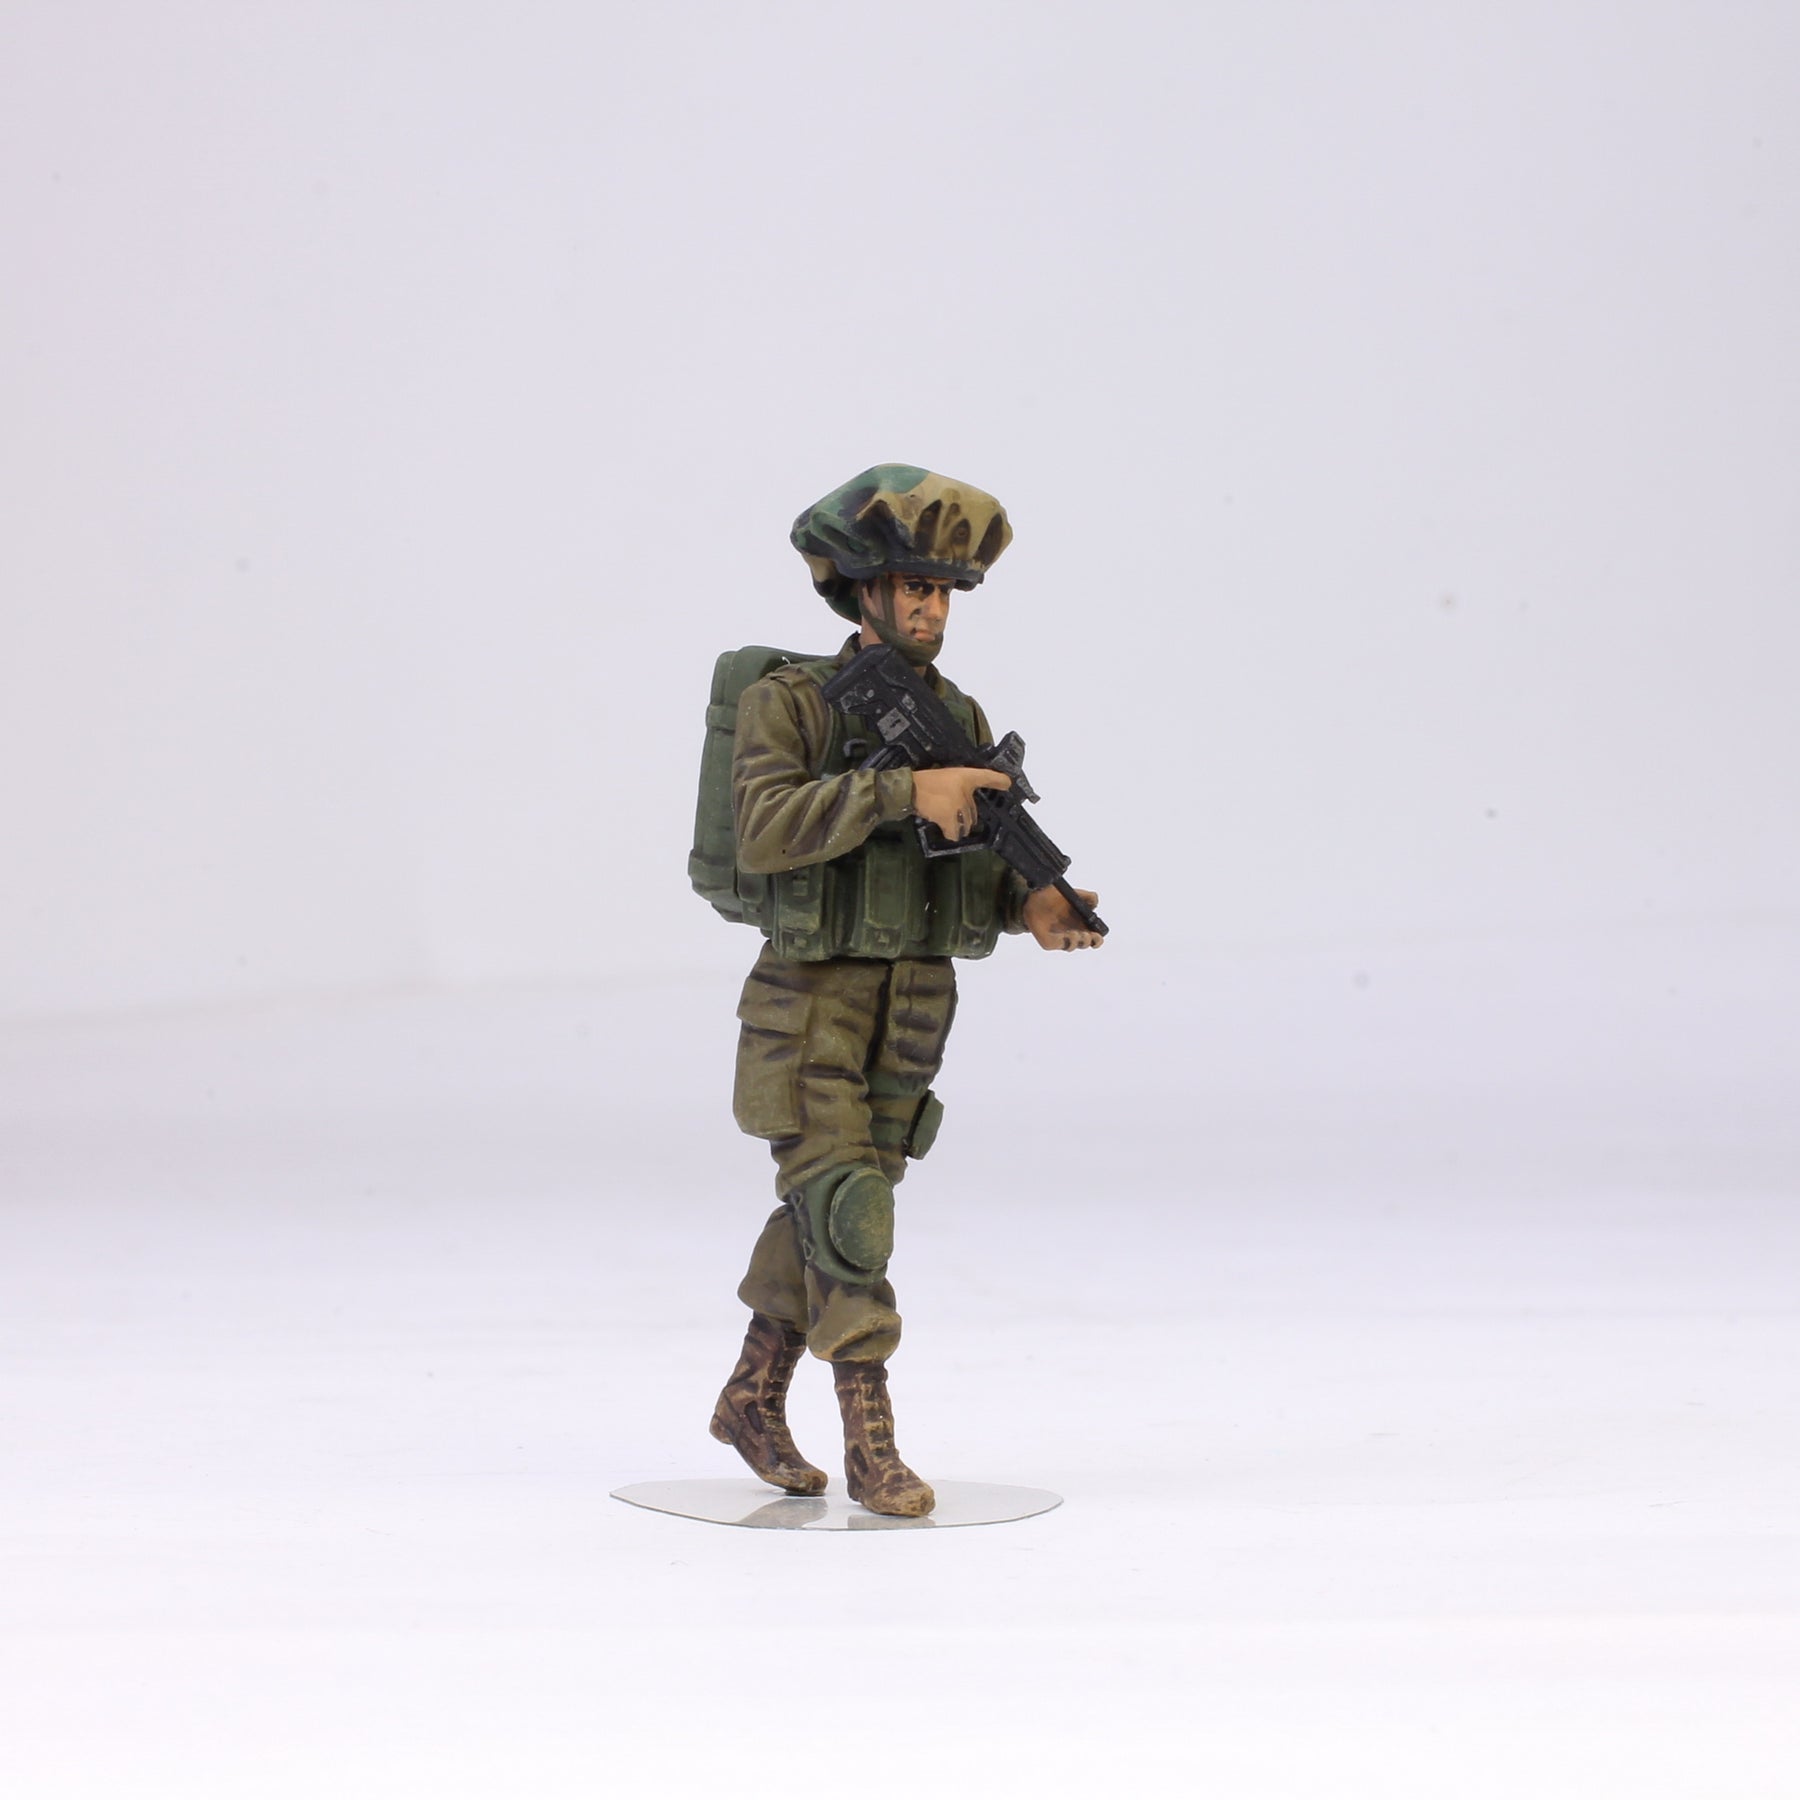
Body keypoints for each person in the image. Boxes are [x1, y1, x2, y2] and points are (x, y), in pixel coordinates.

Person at [707, 465, 1102, 1517]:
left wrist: (1030, 902)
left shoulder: (956, 713)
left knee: (832, 1211)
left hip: (913, 1007)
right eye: (913, 586)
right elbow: (765, 829)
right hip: (811, 1001)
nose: (931, 608)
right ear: (863, 589)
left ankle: (750, 1395)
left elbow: (957, 866)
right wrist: (901, 790)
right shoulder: (789, 702)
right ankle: (870, 1440)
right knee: (852, 1215)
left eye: (944, 591)